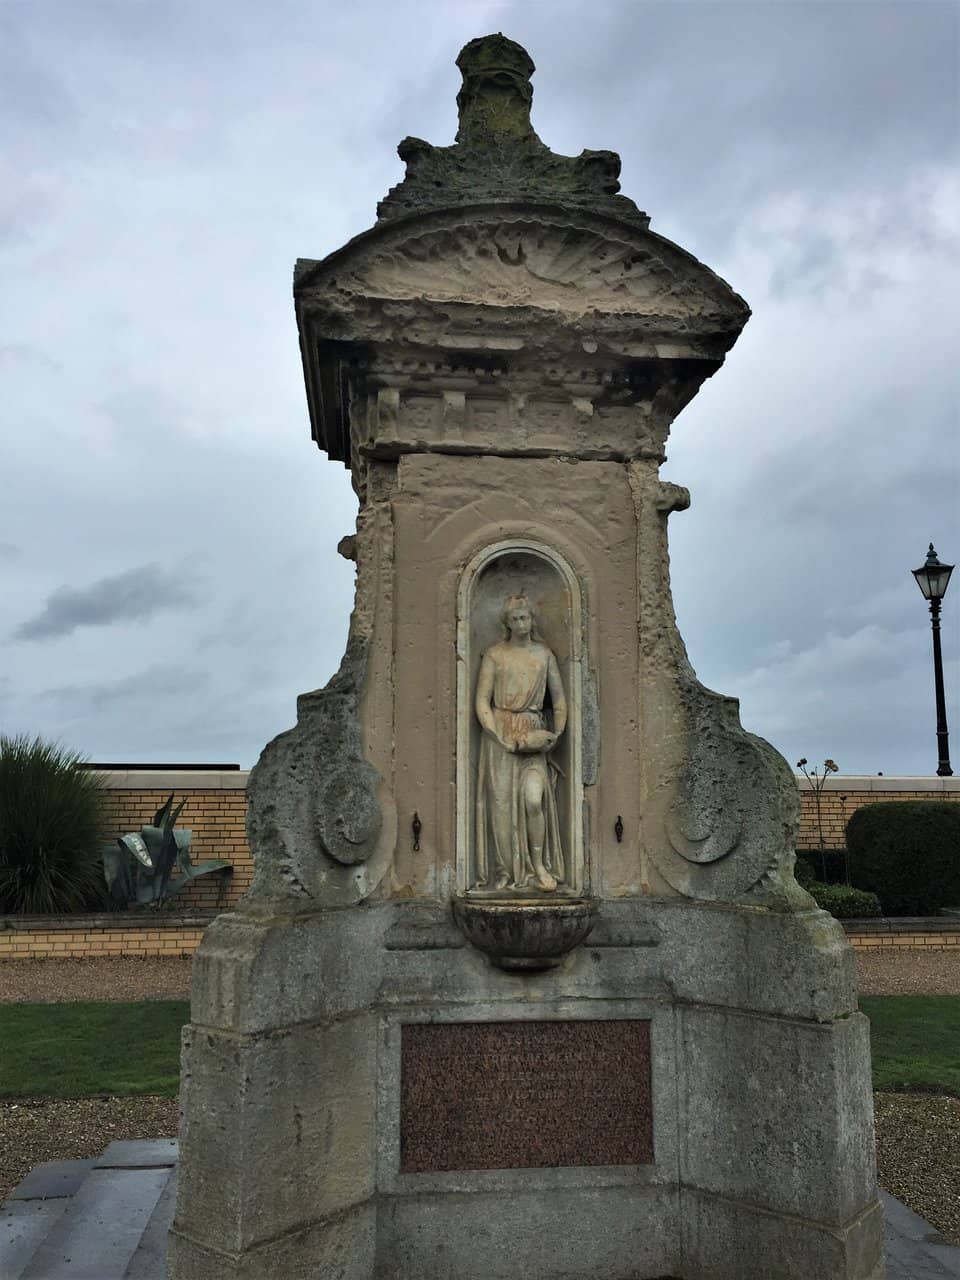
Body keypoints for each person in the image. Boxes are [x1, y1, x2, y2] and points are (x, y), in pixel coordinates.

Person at [474, 594, 566, 891]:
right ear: (508, 623)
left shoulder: (544, 655)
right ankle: (507, 872)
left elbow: (561, 701)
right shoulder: (495, 655)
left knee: (532, 799)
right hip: (501, 735)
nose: (521, 623)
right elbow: (481, 702)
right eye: (515, 619)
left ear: (531, 619)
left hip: (533, 731)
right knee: (501, 810)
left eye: (525, 617)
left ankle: (538, 865)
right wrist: (497, 735)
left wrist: (555, 735)